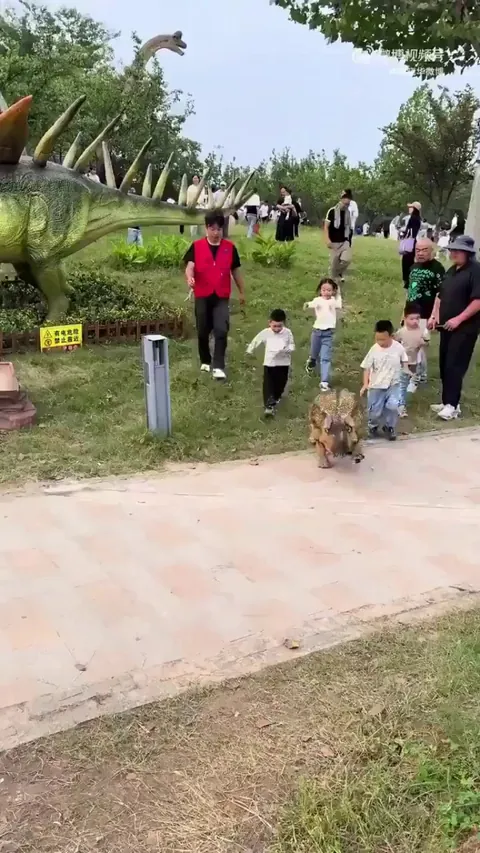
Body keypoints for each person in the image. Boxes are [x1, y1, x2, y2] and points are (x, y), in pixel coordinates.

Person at [184, 212, 245, 380]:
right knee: (203, 329)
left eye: (219, 229)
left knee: (221, 328)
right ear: (206, 228)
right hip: (202, 294)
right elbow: (190, 266)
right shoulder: (196, 246)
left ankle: (218, 366)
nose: (216, 233)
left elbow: (236, 271)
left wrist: (241, 291)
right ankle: (205, 359)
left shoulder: (230, 248)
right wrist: (190, 277)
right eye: (212, 228)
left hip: (221, 295)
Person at [428, 235, 480, 420]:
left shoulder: (475, 271)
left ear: (468, 253)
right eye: (452, 250)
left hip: (465, 328)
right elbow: (440, 296)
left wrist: (459, 319)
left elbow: (478, 301)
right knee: (444, 363)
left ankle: (452, 405)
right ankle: (448, 402)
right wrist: (435, 315)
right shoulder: (451, 271)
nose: (453, 253)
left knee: (455, 365)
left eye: (457, 251)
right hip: (446, 326)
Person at [360, 319, 409, 441]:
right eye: (377, 339)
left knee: (393, 406)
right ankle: (373, 427)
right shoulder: (374, 350)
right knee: (374, 411)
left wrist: (406, 369)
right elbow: (366, 367)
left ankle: (389, 427)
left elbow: (404, 358)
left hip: (393, 385)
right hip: (376, 386)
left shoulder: (398, 348)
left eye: (383, 339)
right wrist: (365, 384)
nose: (380, 342)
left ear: (391, 336)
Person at [406, 238, 444, 382]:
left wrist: (435, 315)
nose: (420, 253)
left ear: (432, 251)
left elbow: (441, 294)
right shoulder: (413, 267)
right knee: (409, 346)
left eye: (424, 250)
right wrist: (404, 313)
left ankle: (416, 378)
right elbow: (410, 291)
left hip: (425, 314)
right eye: (418, 250)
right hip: (411, 313)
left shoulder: (437, 269)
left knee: (419, 347)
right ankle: (418, 376)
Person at [246, 308, 295, 416]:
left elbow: (292, 345)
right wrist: (250, 350)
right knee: (268, 384)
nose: (277, 329)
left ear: (284, 324)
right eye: (274, 326)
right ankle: (268, 406)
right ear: (270, 323)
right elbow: (256, 340)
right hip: (270, 363)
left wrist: (288, 349)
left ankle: (276, 398)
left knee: (281, 384)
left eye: (279, 326)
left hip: (283, 363)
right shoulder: (266, 333)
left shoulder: (287, 333)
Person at [303, 276, 342, 391]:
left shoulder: (333, 301)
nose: (326, 292)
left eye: (329, 290)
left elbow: (339, 304)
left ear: (333, 291)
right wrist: (307, 304)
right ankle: (311, 362)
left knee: (325, 358)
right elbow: (312, 304)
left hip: (328, 334)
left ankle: (324, 382)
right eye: (324, 289)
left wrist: (339, 292)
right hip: (316, 333)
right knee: (314, 353)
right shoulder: (318, 300)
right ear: (320, 290)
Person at [395, 303, 430, 417]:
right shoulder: (401, 332)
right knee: (402, 385)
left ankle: (413, 383)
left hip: (415, 362)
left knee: (408, 381)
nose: (415, 321)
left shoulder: (422, 331)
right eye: (412, 318)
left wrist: (424, 342)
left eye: (417, 318)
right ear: (405, 318)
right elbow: (394, 343)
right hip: (403, 363)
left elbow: (426, 344)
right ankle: (400, 407)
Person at [324, 190, 352, 283]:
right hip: (334, 242)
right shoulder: (332, 211)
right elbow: (326, 226)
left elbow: (348, 227)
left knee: (347, 260)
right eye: (345, 204)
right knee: (333, 264)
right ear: (341, 200)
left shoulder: (348, 213)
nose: (346, 206)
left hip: (344, 241)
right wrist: (327, 240)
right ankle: (332, 281)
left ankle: (337, 273)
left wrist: (348, 240)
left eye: (348, 204)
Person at [400, 202, 422, 287]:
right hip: (412, 241)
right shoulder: (417, 218)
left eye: (411, 207)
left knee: (406, 261)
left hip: (410, 241)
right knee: (408, 260)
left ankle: (407, 280)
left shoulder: (414, 218)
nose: (409, 209)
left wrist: (405, 234)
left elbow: (411, 231)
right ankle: (408, 280)